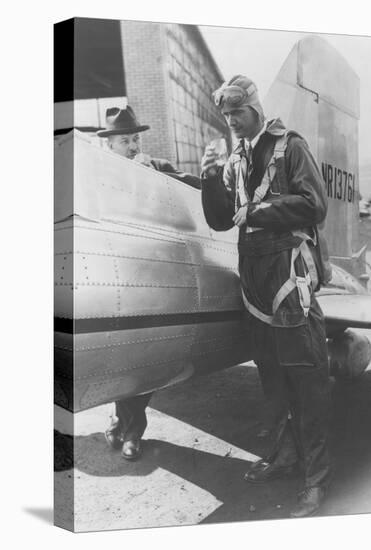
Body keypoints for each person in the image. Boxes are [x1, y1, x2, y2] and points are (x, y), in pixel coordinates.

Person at [200, 75, 332, 518]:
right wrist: (209, 177)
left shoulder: (289, 145)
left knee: (306, 380)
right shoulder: (235, 158)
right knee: (271, 378)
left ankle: (316, 480)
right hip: (254, 276)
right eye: (227, 115)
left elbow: (315, 205)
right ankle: (284, 457)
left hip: (289, 275)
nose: (233, 121)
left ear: (255, 107)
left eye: (238, 111)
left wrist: (257, 210)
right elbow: (221, 222)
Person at [97, 106, 200, 460]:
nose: (131, 145)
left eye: (135, 138)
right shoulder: (97, 176)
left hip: (155, 277)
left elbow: (194, 190)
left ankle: (129, 431)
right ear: (109, 144)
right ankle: (120, 423)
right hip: (117, 276)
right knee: (121, 356)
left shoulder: (155, 167)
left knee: (143, 358)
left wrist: (150, 182)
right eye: (124, 140)